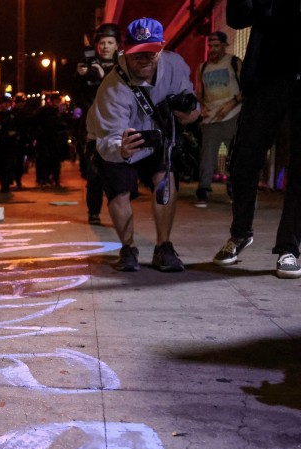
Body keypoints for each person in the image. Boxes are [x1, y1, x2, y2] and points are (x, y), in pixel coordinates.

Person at [87, 17, 200, 273]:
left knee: (165, 180)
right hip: (115, 138)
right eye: (138, 54)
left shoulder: (175, 65)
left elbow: (190, 103)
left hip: (156, 135)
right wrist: (121, 149)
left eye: (151, 52)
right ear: (125, 51)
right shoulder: (112, 88)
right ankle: (128, 248)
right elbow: (108, 139)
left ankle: (164, 247)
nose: (144, 59)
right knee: (120, 190)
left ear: (161, 49)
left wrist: (190, 113)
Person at [212, 0, 301, 278]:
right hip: (264, 81)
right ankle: (240, 234)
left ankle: (289, 247)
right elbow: (238, 16)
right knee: (244, 162)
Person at [75, 22, 121, 224]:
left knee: (118, 173)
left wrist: (105, 78)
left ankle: (118, 211)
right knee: (94, 172)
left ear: (117, 45)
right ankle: (93, 212)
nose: (105, 46)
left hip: (118, 125)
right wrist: (79, 77)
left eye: (110, 42)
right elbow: (77, 98)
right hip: (94, 126)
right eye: (102, 43)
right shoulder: (89, 65)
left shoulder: (123, 66)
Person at [194, 31, 242, 209]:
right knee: (207, 154)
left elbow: (246, 87)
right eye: (210, 46)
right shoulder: (203, 67)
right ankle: (203, 190)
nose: (212, 49)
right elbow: (200, 92)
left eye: (216, 46)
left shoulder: (233, 62)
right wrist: (202, 107)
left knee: (235, 155)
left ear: (224, 45)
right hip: (211, 117)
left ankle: (234, 189)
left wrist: (232, 103)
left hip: (232, 114)